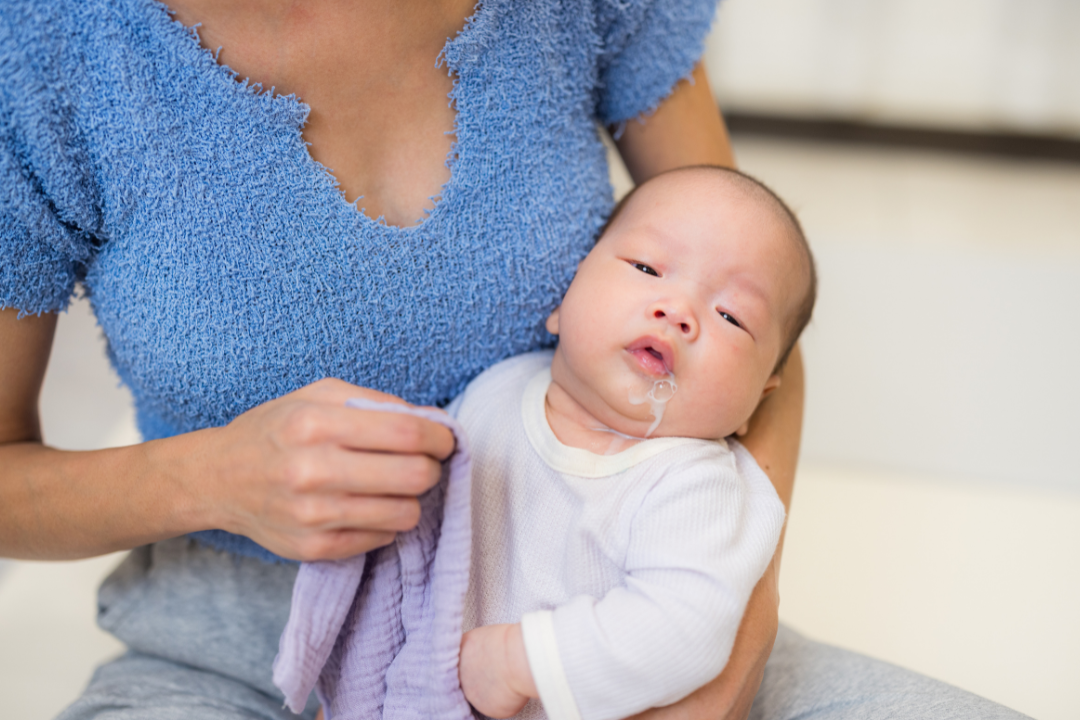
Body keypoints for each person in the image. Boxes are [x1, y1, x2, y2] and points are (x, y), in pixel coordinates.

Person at [0, 0, 1027, 718]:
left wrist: (722, 641)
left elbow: (756, 311)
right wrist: (207, 477)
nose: (673, 314)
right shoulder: (47, 53)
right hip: (242, 663)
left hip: (610, 640)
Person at [455, 166, 808, 720]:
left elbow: (683, 626)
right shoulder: (491, 395)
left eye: (732, 316)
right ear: (563, 297)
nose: (679, 312)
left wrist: (518, 660)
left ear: (759, 398)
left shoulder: (695, 484)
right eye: (647, 267)